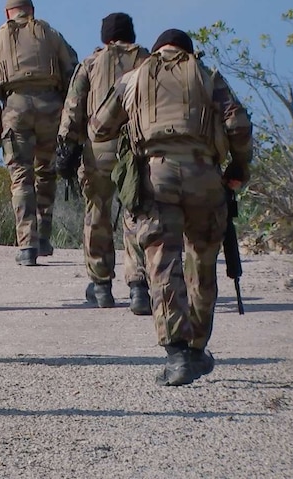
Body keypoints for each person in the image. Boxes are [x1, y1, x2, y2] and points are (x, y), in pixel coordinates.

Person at [90, 29, 253, 386]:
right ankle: (196, 348)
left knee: (162, 262)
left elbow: (99, 127)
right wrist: (239, 167)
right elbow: (238, 125)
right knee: (202, 262)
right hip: (205, 177)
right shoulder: (207, 76)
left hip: (155, 175)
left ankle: (177, 356)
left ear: (159, 49)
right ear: (188, 52)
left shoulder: (132, 79)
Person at [0, 0, 78, 266]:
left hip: (15, 109)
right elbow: (74, 71)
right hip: (52, 108)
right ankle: (44, 237)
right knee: (46, 171)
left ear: (7, 13)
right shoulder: (50, 33)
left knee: (21, 177)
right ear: (31, 10)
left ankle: (26, 245)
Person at [57, 13, 151, 314]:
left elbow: (73, 107)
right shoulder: (148, 62)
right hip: (137, 151)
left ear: (105, 36)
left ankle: (101, 286)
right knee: (136, 214)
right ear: (131, 35)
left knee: (97, 212)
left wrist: (67, 146)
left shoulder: (91, 63)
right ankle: (138, 286)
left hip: (98, 150)